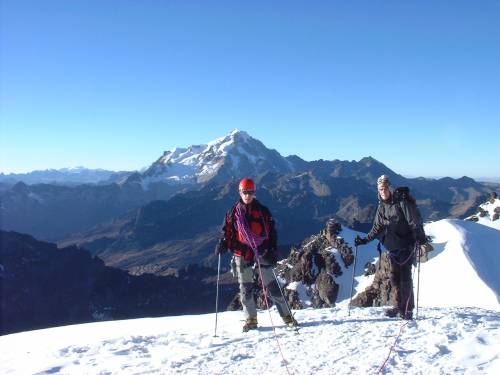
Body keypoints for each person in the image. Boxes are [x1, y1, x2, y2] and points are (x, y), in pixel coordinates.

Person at [215, 178, 298, 332]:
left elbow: (271, 233)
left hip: (262, 251)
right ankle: (251, 320)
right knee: (245, 288)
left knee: (272, 286)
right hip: (242, 253)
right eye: (244, 192)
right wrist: (223, 243)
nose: (247, 195)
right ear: (240, 192)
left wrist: (272, 250)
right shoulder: (233, 213)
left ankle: (287, 317)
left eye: (250, 192)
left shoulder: (263, 211)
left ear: (254, 192)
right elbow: (227, 233)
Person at [354, 175, 429, 320]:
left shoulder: (401, 203)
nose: (383, 191)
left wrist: (421, 238)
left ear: (390, 188)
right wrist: (364, 240)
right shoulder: (382, 207)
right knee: (394, 278)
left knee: (405, 278)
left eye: (385, 188)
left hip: (406, 245)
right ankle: (397, 305)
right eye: (380, 189)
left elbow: (414, 222)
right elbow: (377, 228)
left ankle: (407, 309)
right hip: (392, 247)